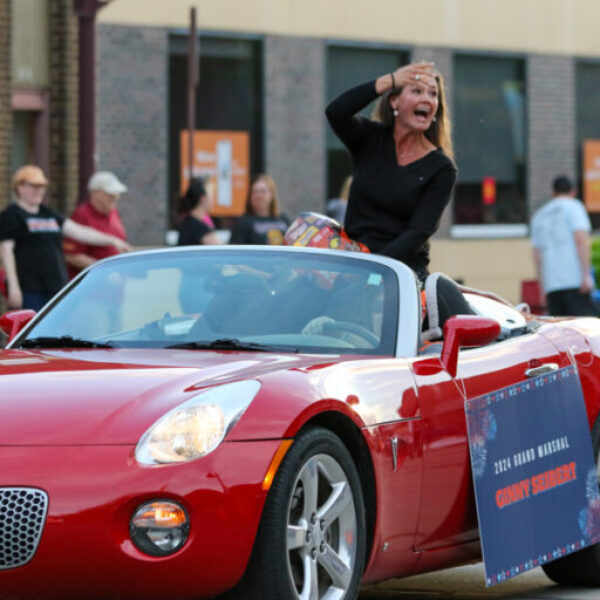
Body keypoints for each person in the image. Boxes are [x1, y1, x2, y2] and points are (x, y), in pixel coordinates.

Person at [325, 61, 457, 283]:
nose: (427, 99)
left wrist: (373, 270)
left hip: (399, 273)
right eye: (417, 91)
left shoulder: (441, 168)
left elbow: (417, 233)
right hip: (353, 264)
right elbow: (336, 112)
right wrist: (390, 80)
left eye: (433, 94)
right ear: (394, 101)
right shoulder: (370, 139)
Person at [0, 165, 131, 311]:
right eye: (34, 186)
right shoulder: (11, 215)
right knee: (31, 332)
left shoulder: (48, 213)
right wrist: (13, 286)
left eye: (42, 186)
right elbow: (6, 251)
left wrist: (113, 240)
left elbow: (79, 231)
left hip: (56, 288)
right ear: (20, 187)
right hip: (29, 290)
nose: (39, 191)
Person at [531, 175, 597, 316]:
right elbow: (581, 240)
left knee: (560, 332)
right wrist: (586, 275)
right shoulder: (574, 207)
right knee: (584, 329)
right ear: (573, 192)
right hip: (574, 281)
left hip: (551, 285)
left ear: (552, 193)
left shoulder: (539, 216)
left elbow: (537, 256)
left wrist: (542, 289)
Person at [63, 171, 129, 279]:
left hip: (116, 287)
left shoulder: (113, 212)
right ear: (95, 193)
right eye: (110, 194)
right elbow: (72, 255)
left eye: (117, 194)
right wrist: (106, 270)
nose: (116, 197)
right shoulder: (82, 215)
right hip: (92, 286)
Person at [229, 174, 290, 245]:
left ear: (272, 195)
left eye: (263, 191)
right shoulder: (242, 223)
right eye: (255, 192)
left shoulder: (283, 219)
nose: (259, 196)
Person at [176, 178, 222, 246]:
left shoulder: (189, 223)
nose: (213, 199)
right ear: (203, 199)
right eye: (211, 195)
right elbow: (221, 250)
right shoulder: (196, 227)